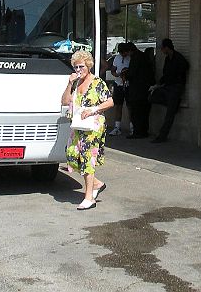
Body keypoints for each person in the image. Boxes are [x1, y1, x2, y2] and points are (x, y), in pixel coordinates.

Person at [61, 49, 113, 210]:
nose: (78, 70)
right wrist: (69, 84)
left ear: (88, 65)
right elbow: (64, 101)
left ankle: (89, 197)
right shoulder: (76, 83)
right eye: (76, 67)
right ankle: (97, 184)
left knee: (87, 159)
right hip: (78, 125)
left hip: (93, 126)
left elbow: (110, 102)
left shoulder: (97, 83)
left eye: (81, 66)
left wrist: (93, 109)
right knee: (72, 156)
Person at [151, 38, 189, 143]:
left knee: (170, 113)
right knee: (152, 96)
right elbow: (165, 74)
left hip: (176, 86)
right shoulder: (168, 59)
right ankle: (173, 104)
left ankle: (162, 135)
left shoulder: (178, 58)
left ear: (167, 48)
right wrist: (158, 84)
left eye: (163, 49)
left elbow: (184, 68)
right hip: (168, 86)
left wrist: (176, 80)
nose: (162, 51)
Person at [124, 42, 154, 139]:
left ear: (129, 51)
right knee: (144, 112)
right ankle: (144, 131)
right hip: (145, 88)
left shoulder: (136, 58)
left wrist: (126, 74)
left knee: (136, 112)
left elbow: (132, 73)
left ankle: (137, 132)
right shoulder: (143, 56)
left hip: (137, 90)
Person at [107, 43, 131, 136]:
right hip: (118, 84)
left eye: (124, 52)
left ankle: (132, 127)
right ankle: (117, 127)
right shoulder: (117, 58)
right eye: (121, 53)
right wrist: (116, 74)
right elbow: (113, 69)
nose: (123, 54)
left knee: (130, 106)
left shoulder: (130, 58)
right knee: (118, 105)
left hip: (128, 84)